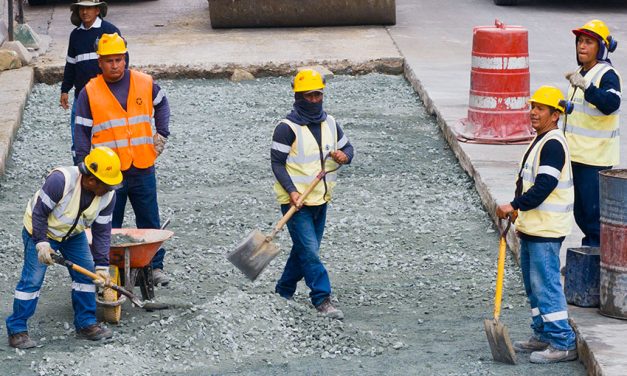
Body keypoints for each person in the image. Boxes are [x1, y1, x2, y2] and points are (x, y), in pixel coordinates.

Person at [73, 33, 171, 285]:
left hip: (142, 166)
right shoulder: (90, 92)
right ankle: (107, 270)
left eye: (119, 59)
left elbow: (161, 104)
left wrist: (162, 133)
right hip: (108, 173)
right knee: (107, 223)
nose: (114, 65)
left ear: (125, 59)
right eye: (109, 60)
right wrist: (83, 163)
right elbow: (81, 129)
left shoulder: (144, 82)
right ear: (100, 62)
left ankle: (154, 267)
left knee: (149, 219)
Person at [5, 147, 122, 349]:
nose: (111, 189)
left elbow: (102, 231)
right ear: (92, 180)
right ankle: (17, 330)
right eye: (108, 185)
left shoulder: (108, 197)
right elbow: (39, 213)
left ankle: (86, 324)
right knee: (32, 280)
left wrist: (102, 266)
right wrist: (41, 243)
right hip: (40, 231)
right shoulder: (61, 180)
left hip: (73, 235)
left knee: (86, 276)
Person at [496, 86, 577, 364]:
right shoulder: (541, 139)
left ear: (555, 115)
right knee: (534, 285)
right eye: (533, 107)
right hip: (534, 227)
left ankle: (563, 342)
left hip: (547, 229)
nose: (534, 112)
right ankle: (542, 333)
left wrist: (515, 205)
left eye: (541, 108)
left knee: (546, 285)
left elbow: (544, 186)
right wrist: (519, 212)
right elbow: (529, 181)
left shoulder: (553, 144)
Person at [271, 69, 354, 320]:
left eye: (318, 95)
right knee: (310, 251)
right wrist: (292, 191)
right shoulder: (286, 128)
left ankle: (283, 291)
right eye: (309, 96)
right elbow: (277, 163)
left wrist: (345, 156)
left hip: (321, 198)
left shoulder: (330, 123)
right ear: (298, 97)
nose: (315, 100)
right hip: (296, 203)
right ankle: (322, 297)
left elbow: (348, 147)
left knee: (304, 249)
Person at [563, 19, 621, 247]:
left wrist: (588, 88)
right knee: (581, 211)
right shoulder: (580, 72)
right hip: (576, 155)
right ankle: (589, 254)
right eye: (579, 41)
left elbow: (611, 103)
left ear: (602, 47)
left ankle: (596, 261)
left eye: (588, 42)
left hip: (594, 158)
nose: (582, 47)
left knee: (593, 214)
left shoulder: (606, 75)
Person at [60, 0, 123, 165]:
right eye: (81, 8)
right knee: (79, 136)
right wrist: (65, 89)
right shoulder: (75, 35)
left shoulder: (109, 31)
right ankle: (81, 171)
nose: (84, 12)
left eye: (88, 8)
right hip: (81, 96)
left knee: (108, 135)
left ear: (97, 10)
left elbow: (122, 63)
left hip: (106, 96)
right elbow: (71, 64)